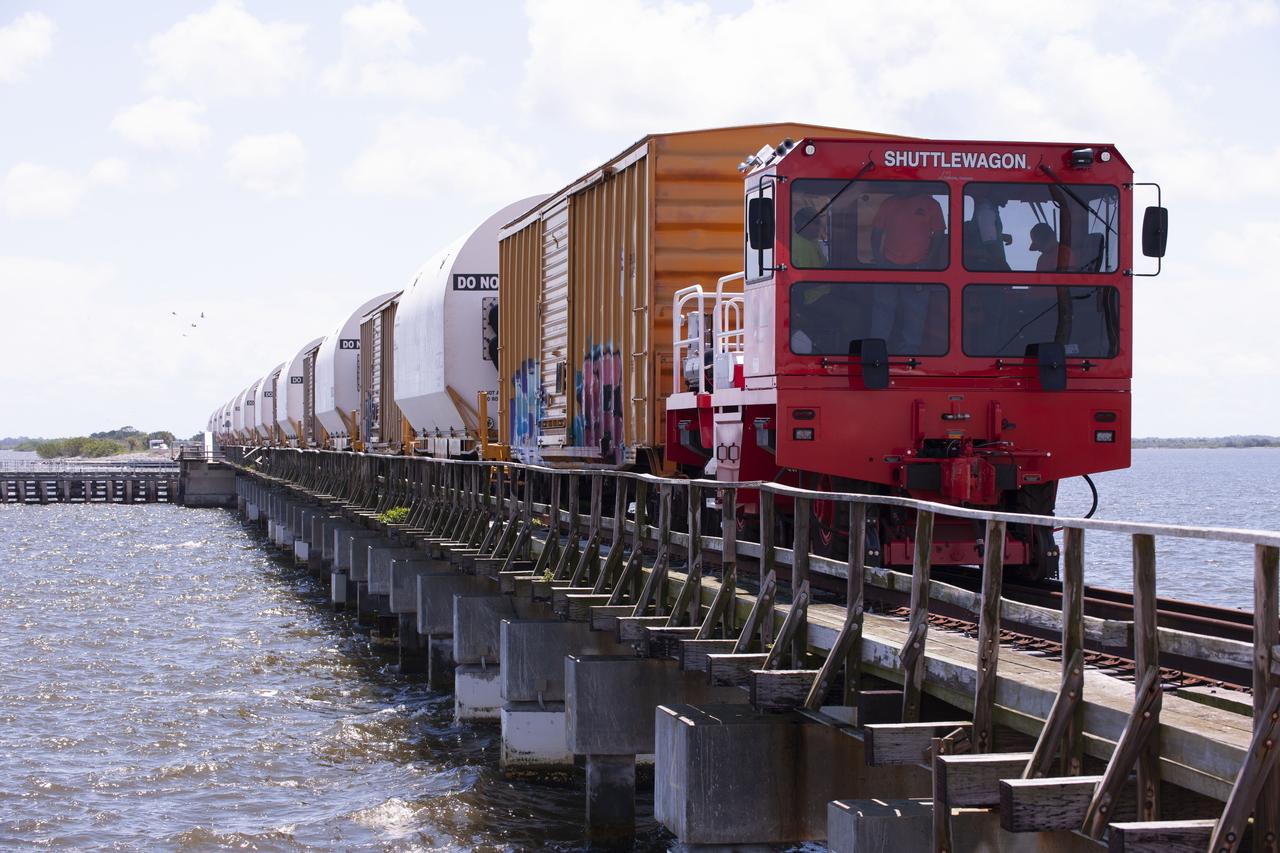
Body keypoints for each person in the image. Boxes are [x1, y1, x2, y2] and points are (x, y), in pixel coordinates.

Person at [871, 187, 946, 268]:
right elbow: (877, 231)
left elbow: (939, 234)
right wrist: (877, 257)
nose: (905, 183)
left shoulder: (931, 204)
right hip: (889, 263)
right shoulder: (888, 203)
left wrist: (929, 260)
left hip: (919, 265)